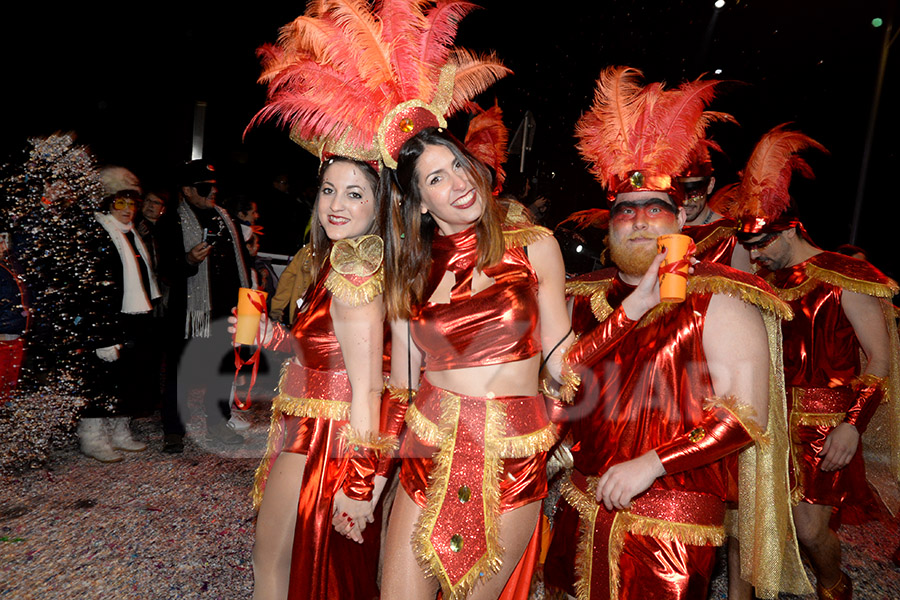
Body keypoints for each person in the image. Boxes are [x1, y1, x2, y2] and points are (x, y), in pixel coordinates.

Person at [544, 67, 810, 600]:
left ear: (679, 217)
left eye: (655, 209)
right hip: (578, 510)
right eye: (625, 211)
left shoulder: (719, 296)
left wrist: (651, 464)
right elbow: (561, 384)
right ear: (609, 221)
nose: (640, 221)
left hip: (671, 527)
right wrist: (559, 446)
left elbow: (745, 414)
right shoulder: (580, 295)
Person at [719, 124, 900, 600]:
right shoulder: (768, 281)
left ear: (792, 227)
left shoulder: (844, 277)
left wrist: (853, 426)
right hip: (769, 416)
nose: (754, 254)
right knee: (745, 517)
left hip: (826, 423)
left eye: (762, 244)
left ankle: (835, 584)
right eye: (750, 246)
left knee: (810, 530)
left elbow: (880, 361)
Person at [156, 160, 250, 452]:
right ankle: (173, 429)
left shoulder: (225, 217)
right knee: (179, 370)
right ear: (186, 190)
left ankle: (218, 422)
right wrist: (188, 261)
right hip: (188, 312)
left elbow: (242, 262)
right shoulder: (170, 220)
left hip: (225, 309)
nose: (212, 192)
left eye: (214, 187)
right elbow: (166, 272)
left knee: (222, 368)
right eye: (204, 187)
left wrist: (247, 304)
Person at [76, 189, 161, 461]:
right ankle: (93, 436)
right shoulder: (98, 233)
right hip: (110, 316)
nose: (128, 209)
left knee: (131, 375)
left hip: (136, 314)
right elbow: (93, 288)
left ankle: (120, 430)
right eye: (120, 203)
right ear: (107, 204)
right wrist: (101, 334)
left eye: (132, 204)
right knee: (102, 379)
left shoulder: (131, 233)